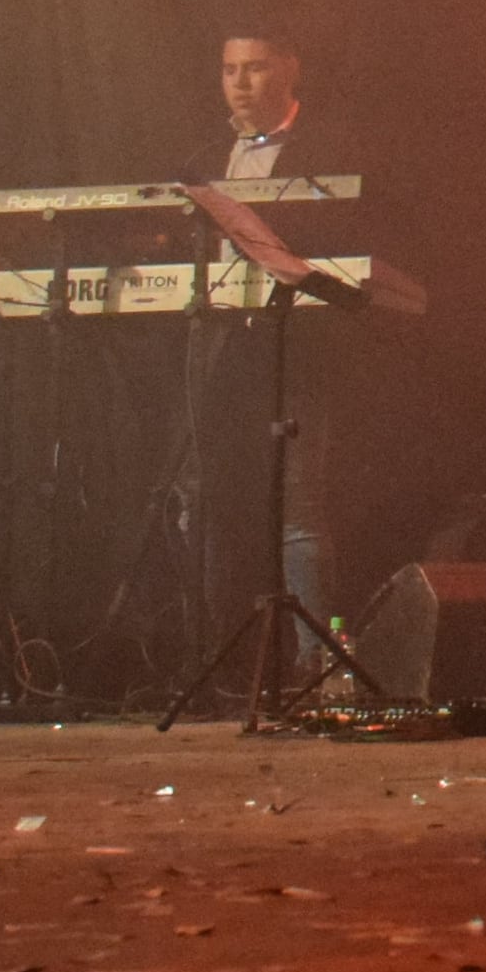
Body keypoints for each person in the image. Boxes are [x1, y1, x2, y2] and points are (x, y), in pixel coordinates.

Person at [207, 30, 360, 611]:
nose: (240, 84)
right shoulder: (204, 155)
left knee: (298, 503)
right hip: (222, 339)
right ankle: (214, 656)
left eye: (255, 68)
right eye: (228, 70)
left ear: (290, 70)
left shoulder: (330, 148)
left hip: (297, 340)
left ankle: (313, 659)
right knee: (201, 495)